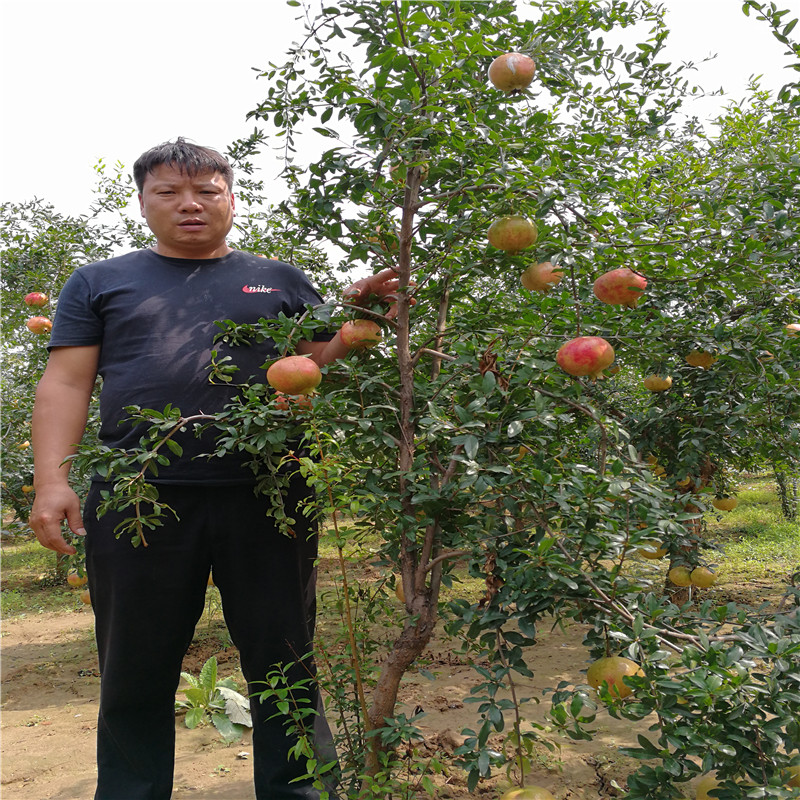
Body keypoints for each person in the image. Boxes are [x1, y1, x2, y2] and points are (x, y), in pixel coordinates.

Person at [29, 138, 401, 800]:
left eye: (206, 190)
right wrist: (53, 480)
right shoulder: (99, 281)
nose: (190, 204)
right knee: (134, 667)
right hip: (137, 496)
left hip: (269, 491)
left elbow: (314, 359)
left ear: (232, 198)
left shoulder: (280, 279)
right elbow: (65, 382)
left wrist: (359, 320)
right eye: (169, 192)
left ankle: (301, 793)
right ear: (142, 202)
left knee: (283, 658)